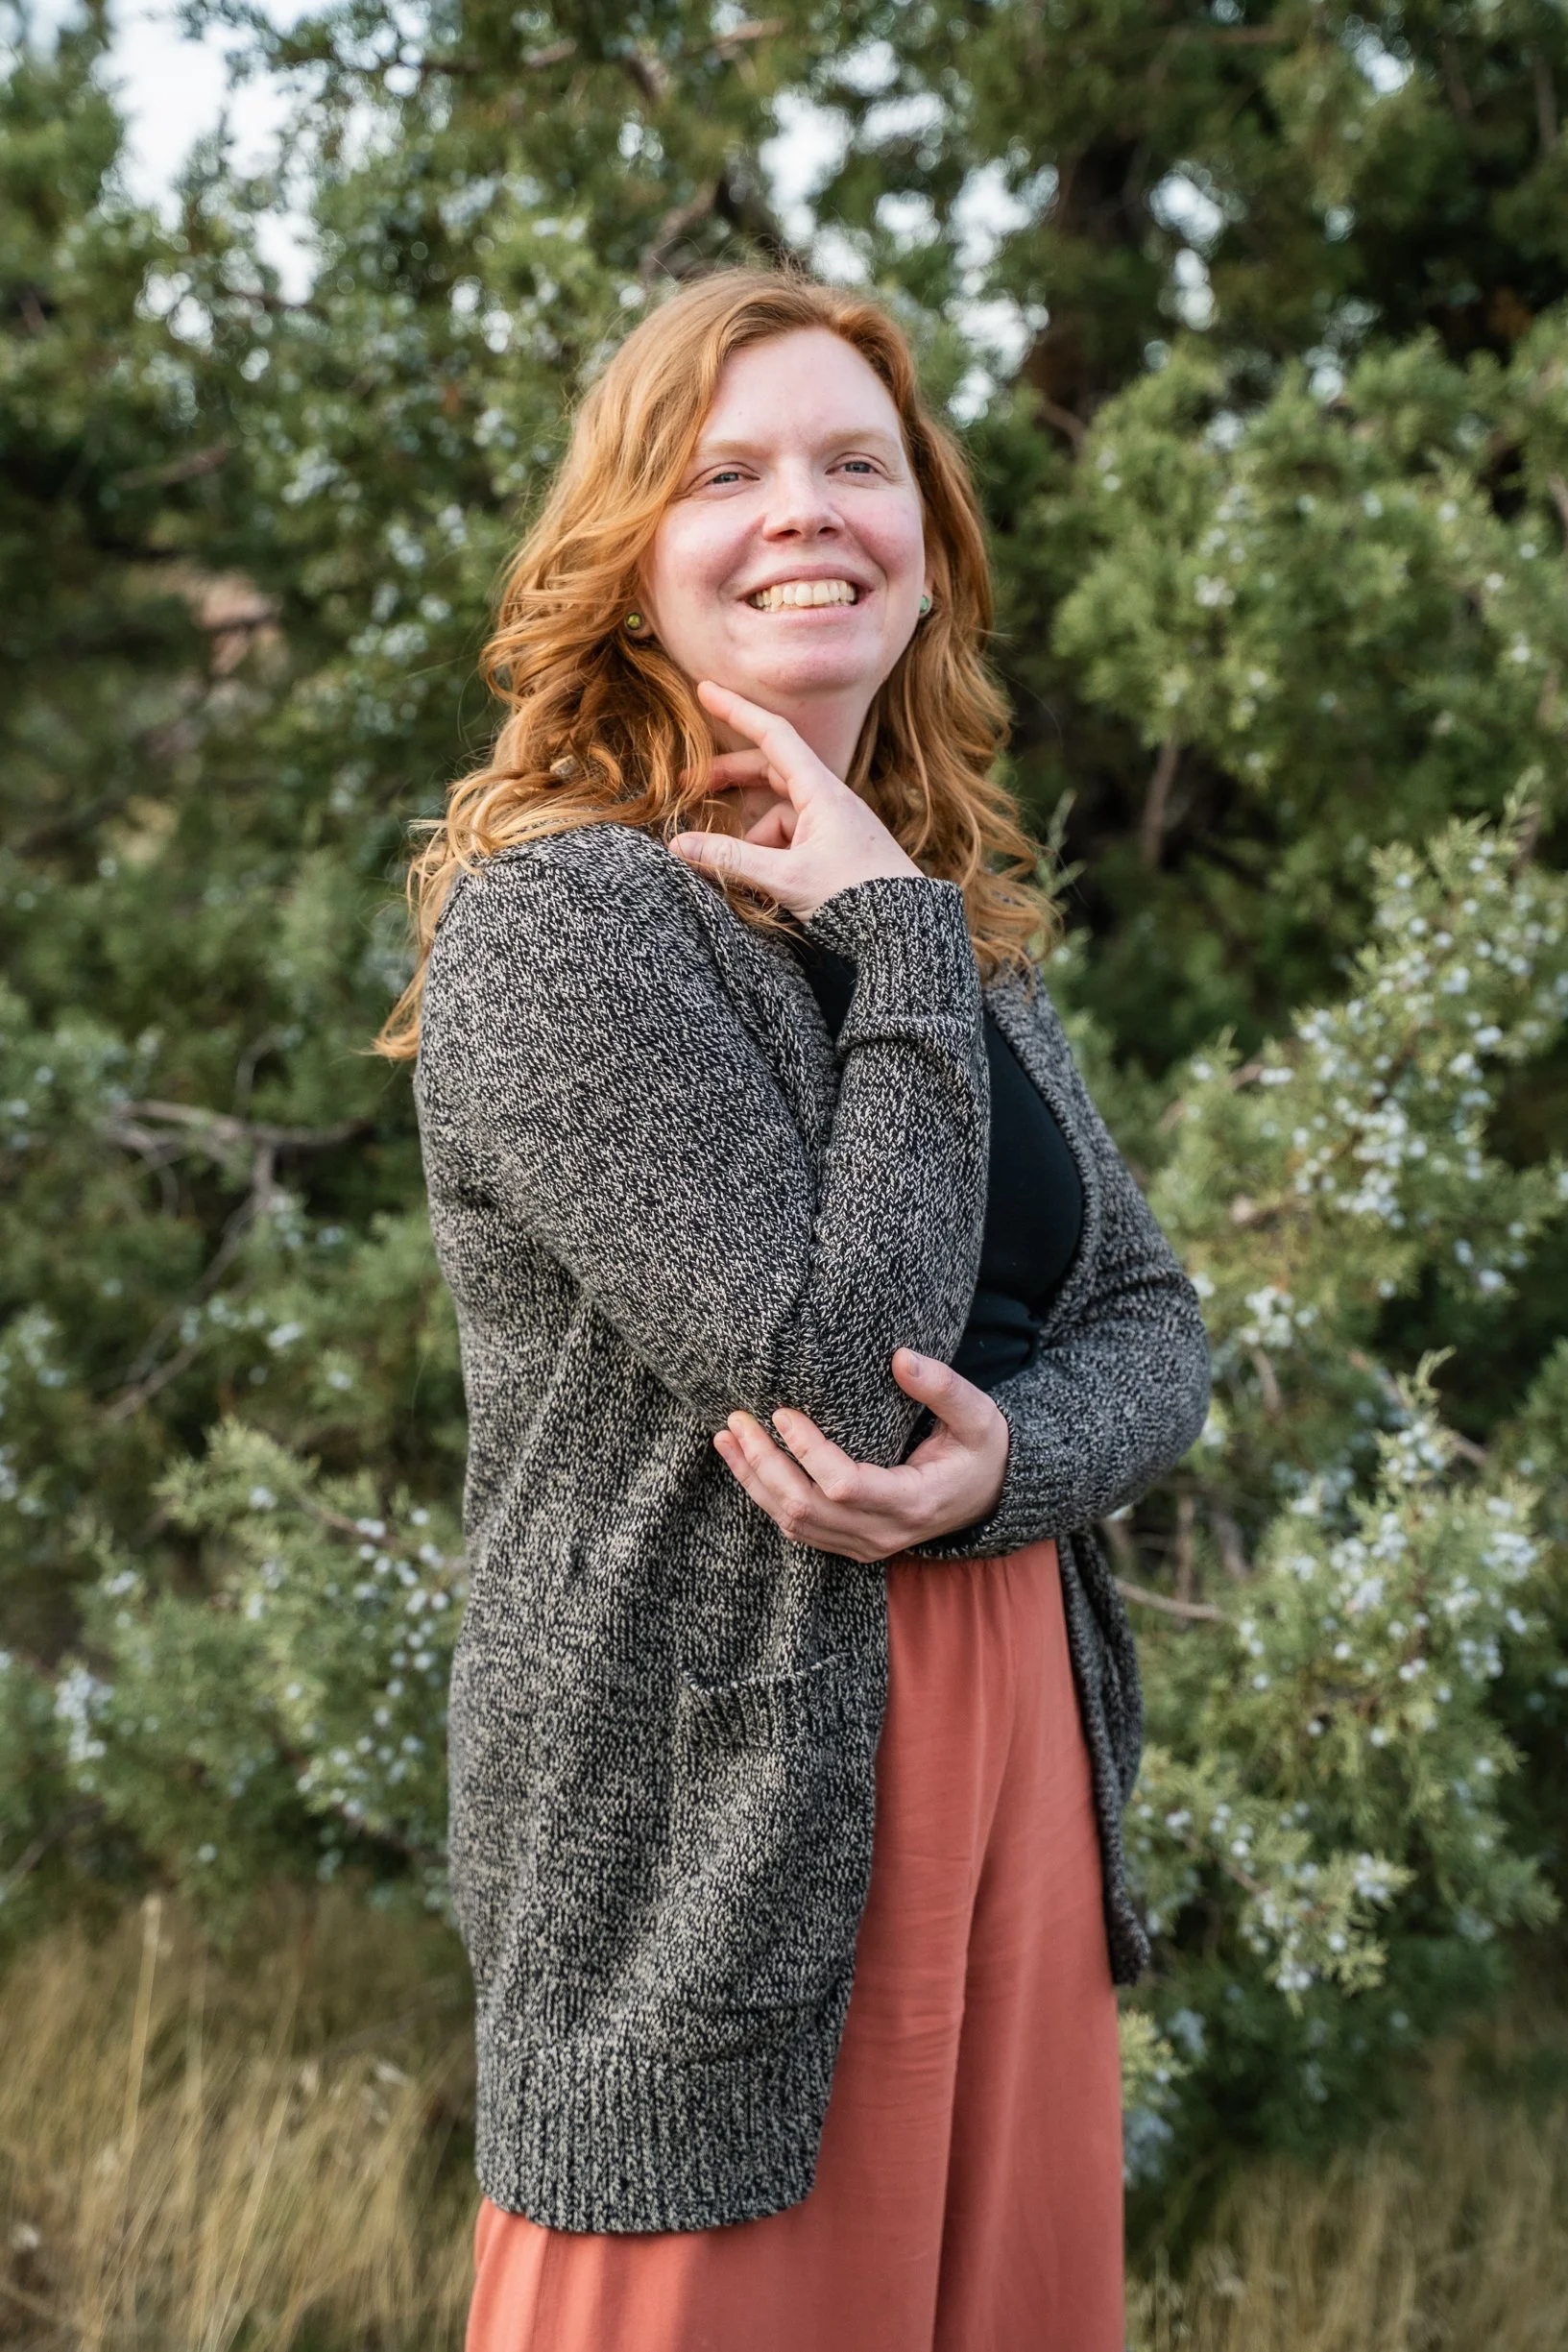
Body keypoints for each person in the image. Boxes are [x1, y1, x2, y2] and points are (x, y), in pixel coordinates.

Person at [377, 265, 1211, 2352]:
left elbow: (1152, 1323)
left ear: (927, 536)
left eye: (858, 462)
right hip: (711, 1839)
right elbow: (833, 1383)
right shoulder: (570, 926)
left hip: (1005, 1742)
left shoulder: (948, 925)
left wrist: (1015, 1466)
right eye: (729, 472)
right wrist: (890, 949)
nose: (805, 513)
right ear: (634, 558)